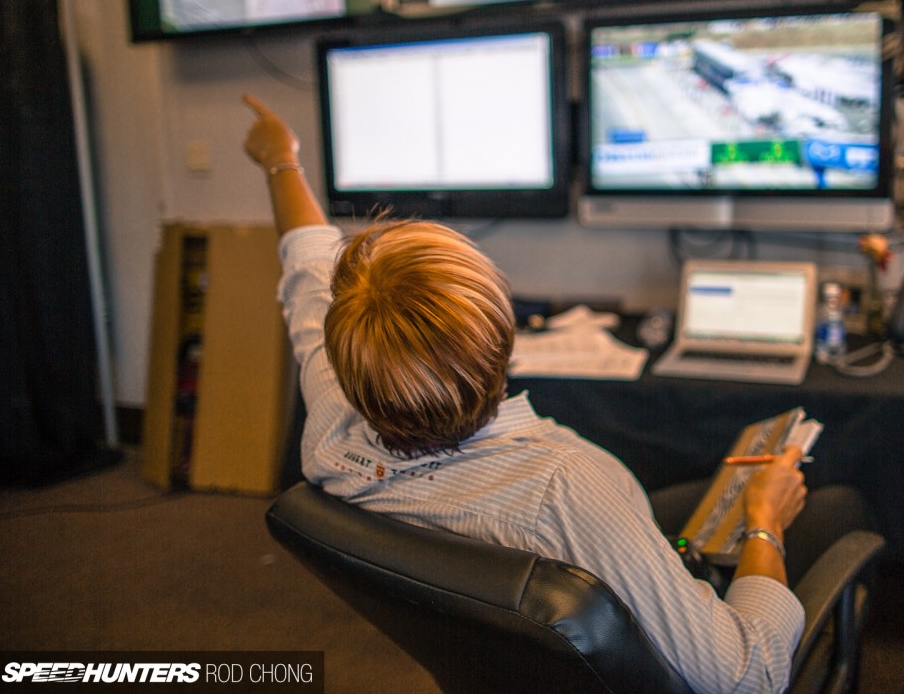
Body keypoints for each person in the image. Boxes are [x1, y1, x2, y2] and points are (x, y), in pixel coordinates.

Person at [241, 93, 870, 694]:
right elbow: (747, 678)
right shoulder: (565, 489)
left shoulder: (331, 431)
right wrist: (763, 523)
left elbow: (307, 265)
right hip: (655, 659)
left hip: (520, 654)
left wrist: (281, 160)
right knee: (834, 509)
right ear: (505, 342)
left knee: (704, 499)